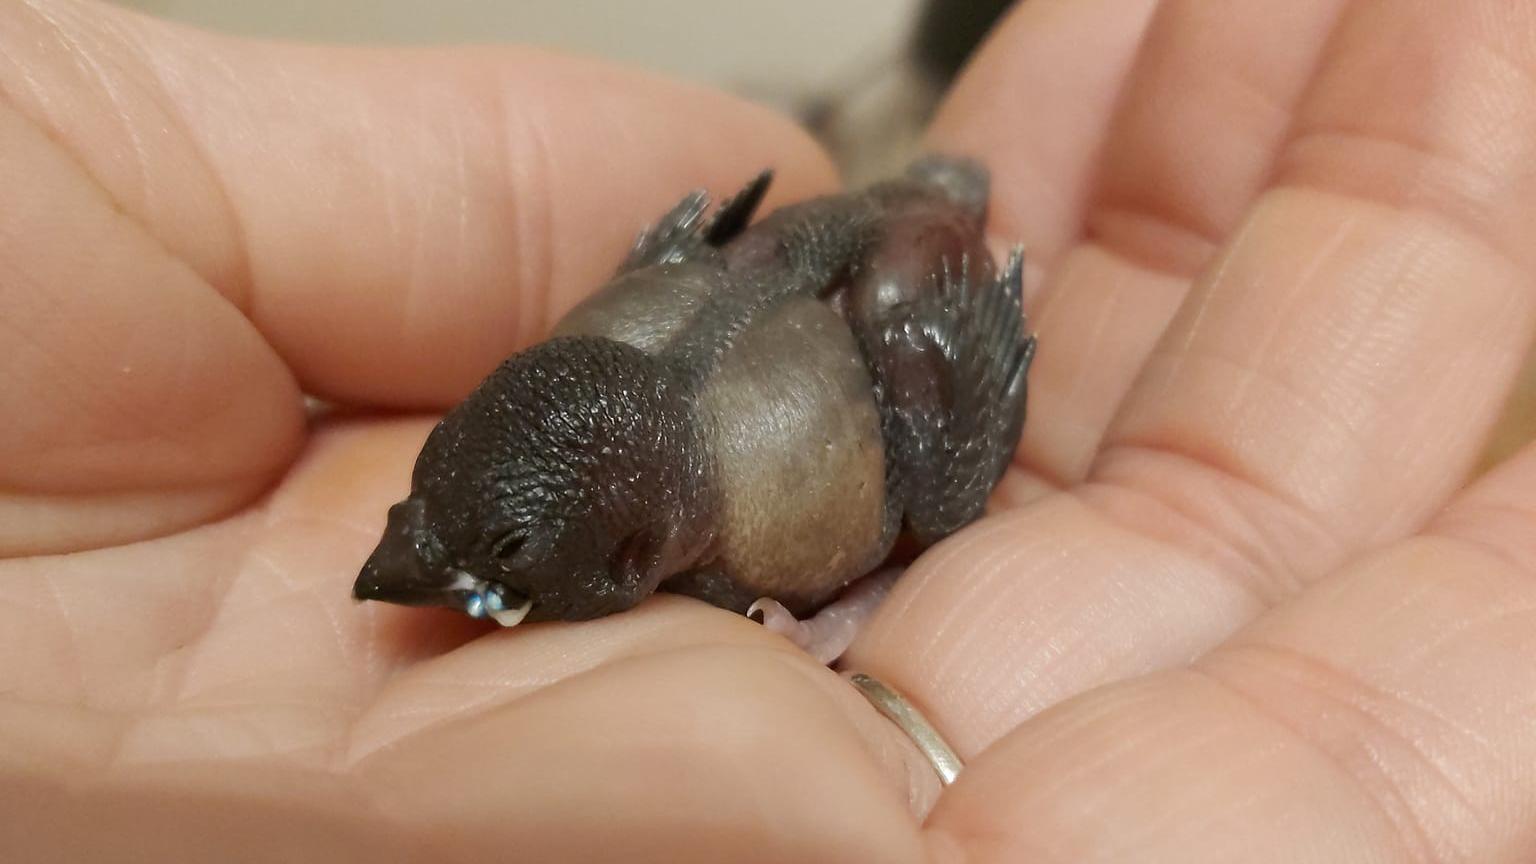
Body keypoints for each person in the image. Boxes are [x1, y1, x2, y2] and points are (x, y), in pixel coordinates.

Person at [4, 0, 1535, 860]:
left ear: (622, 557)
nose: (411, 574)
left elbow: (738, 302)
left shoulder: (757, 486)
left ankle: (938, 213)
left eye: (504, 559)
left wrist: (862, 583)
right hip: (775, 296)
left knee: (929, 488)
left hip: (862, 313)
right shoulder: (600, 374)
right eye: (450, 527)